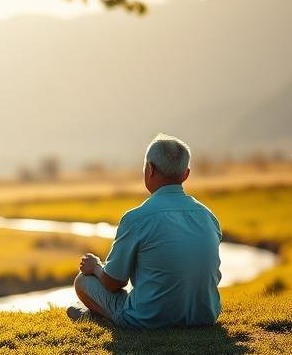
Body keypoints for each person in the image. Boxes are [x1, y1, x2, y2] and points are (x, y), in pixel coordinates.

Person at [71, 134, 222, 328]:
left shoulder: (136, 218)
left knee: (83, 282)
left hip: (148, 320)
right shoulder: (208, 216)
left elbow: (113, 283)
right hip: (205, 316)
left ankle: (97, 315)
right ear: (186, 174)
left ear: (149, 170)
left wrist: (96, 267)